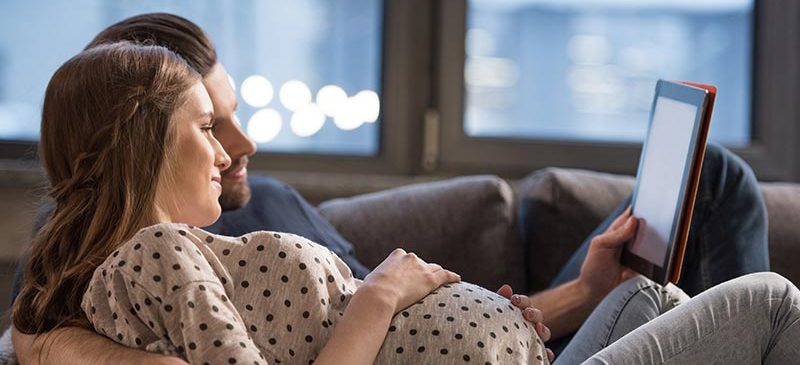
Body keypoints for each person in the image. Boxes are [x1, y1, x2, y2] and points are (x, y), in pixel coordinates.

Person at [9, 12, 770, 364]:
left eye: (229, 120)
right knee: (765, 300)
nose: (239, 146)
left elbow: (404, 318)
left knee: (706, 207)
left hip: (506, 335)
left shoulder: (260, 204)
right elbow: (30, 333)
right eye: (208, 124)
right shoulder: (136, 263)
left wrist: (577, 295)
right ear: (143, 140)